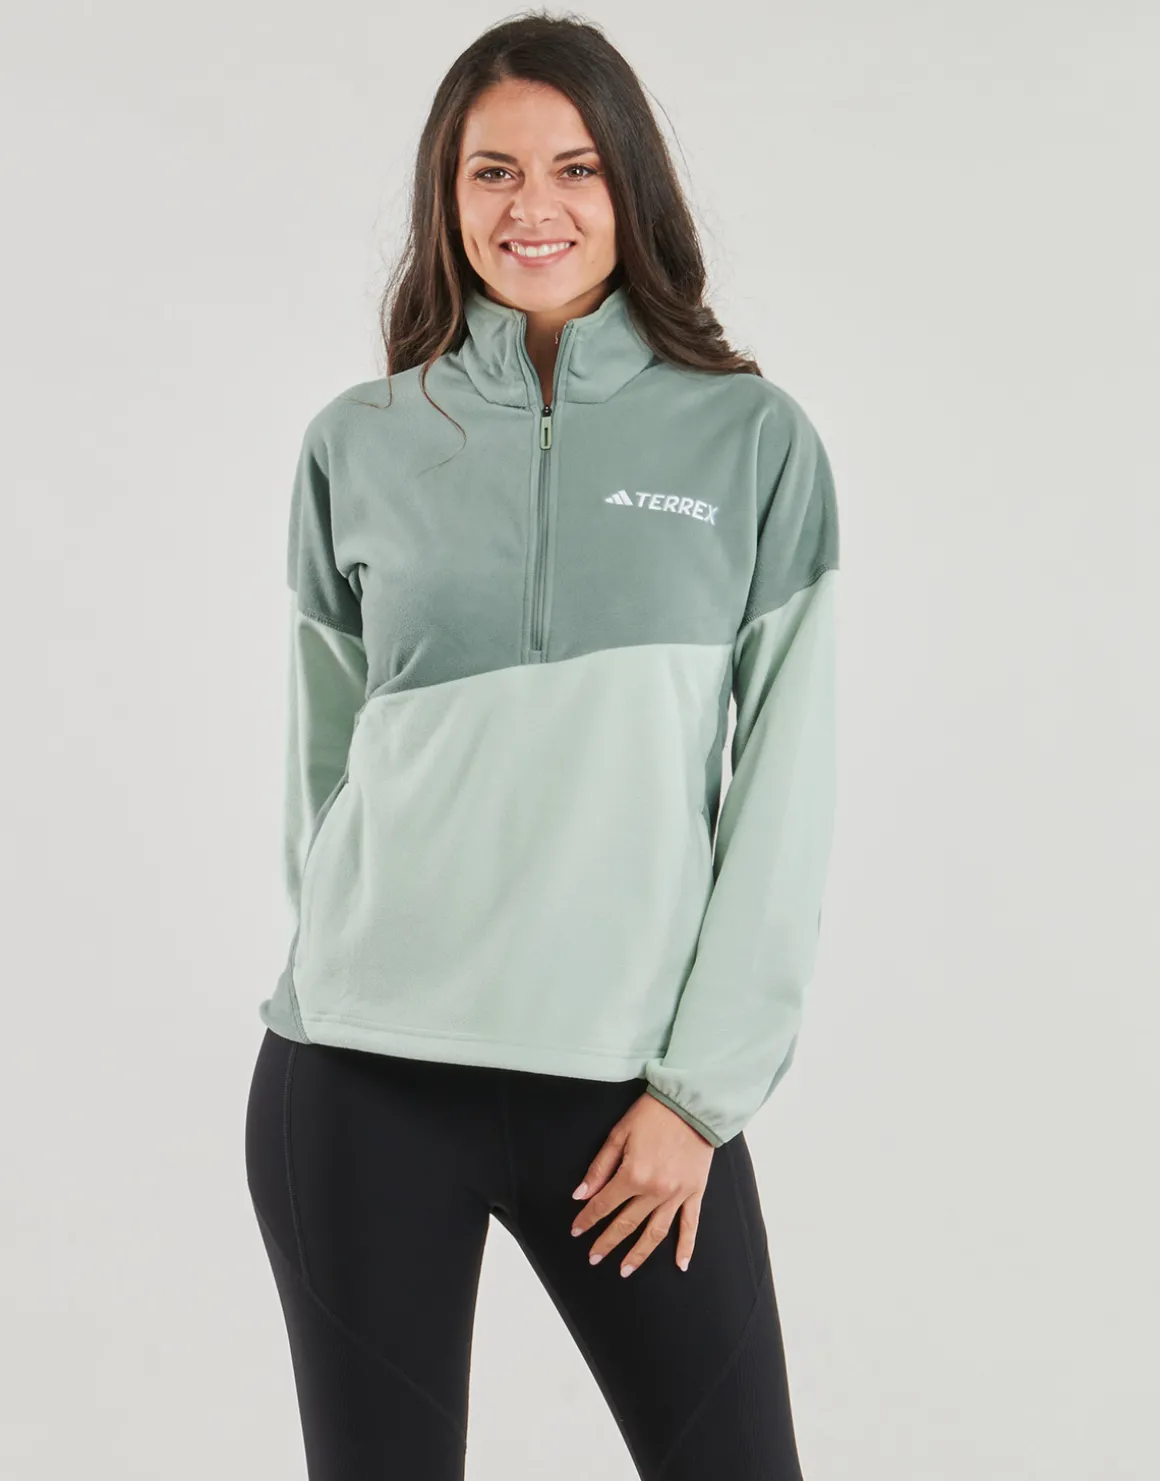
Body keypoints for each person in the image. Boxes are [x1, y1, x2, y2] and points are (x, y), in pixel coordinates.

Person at [244, 13, 840, 1480]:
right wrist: (350, 951)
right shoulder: (358, 441)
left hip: (628, 1098)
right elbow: (323, 766)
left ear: (631, 185)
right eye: (493, 171)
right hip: (361, 1080)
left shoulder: (752, 442)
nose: (535, 207)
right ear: (446, 198)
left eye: (576, 167)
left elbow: (785, 790)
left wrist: (698, 1095)